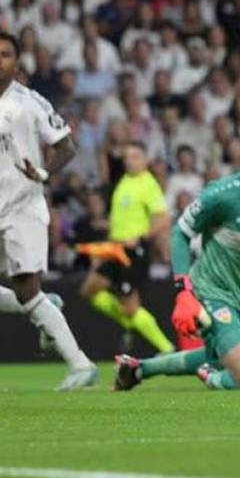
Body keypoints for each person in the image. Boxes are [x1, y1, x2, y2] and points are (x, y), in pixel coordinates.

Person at [0, 32, 100, 391]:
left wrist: (44, 173)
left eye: (4, 55)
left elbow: (67, 146)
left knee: (26, 289)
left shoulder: (31, 102)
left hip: (24, 210)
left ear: (16, 63)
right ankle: (46, 308)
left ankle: (81, 365)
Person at [114, 121, 240, 391]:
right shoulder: (221, 194)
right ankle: (210, 378)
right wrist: (183, 291)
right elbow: (179, 233)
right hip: (210, 292)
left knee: (221, 357)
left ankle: (137, 369)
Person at [78, 140, 175, 355]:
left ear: (145, 160)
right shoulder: (123, 182)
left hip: (132, 253)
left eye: (135, 157)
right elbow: (118, 221)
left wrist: (140, 237)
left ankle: (166, 348)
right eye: (127, 157)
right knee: (89, 290)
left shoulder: (147, 184)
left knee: (130, 306)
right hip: (115, 250)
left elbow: (162, 219)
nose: (129, 162)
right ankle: (132, 324)